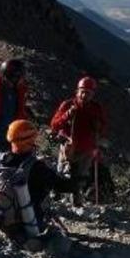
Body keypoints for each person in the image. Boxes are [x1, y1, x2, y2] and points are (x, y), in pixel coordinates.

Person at [0, 120, 74, 244]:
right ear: (30, 141)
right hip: (30, 226)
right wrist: (68, 161)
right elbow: (67, 186)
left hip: (2, 223)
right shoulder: (37, 167)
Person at [49, 76, 107, 206]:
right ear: (77, 91)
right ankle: (56, 198)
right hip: (68, 147)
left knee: (80, 177)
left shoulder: (97, 109)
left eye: (88, 92)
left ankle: (77, 202)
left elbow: (103, 129)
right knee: (63, 173)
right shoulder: (68, 105)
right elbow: (54, 125)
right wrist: (67, 115)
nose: (85, 95)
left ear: (93, 94)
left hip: (86, 150)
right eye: (83, 91)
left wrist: (98, 126)